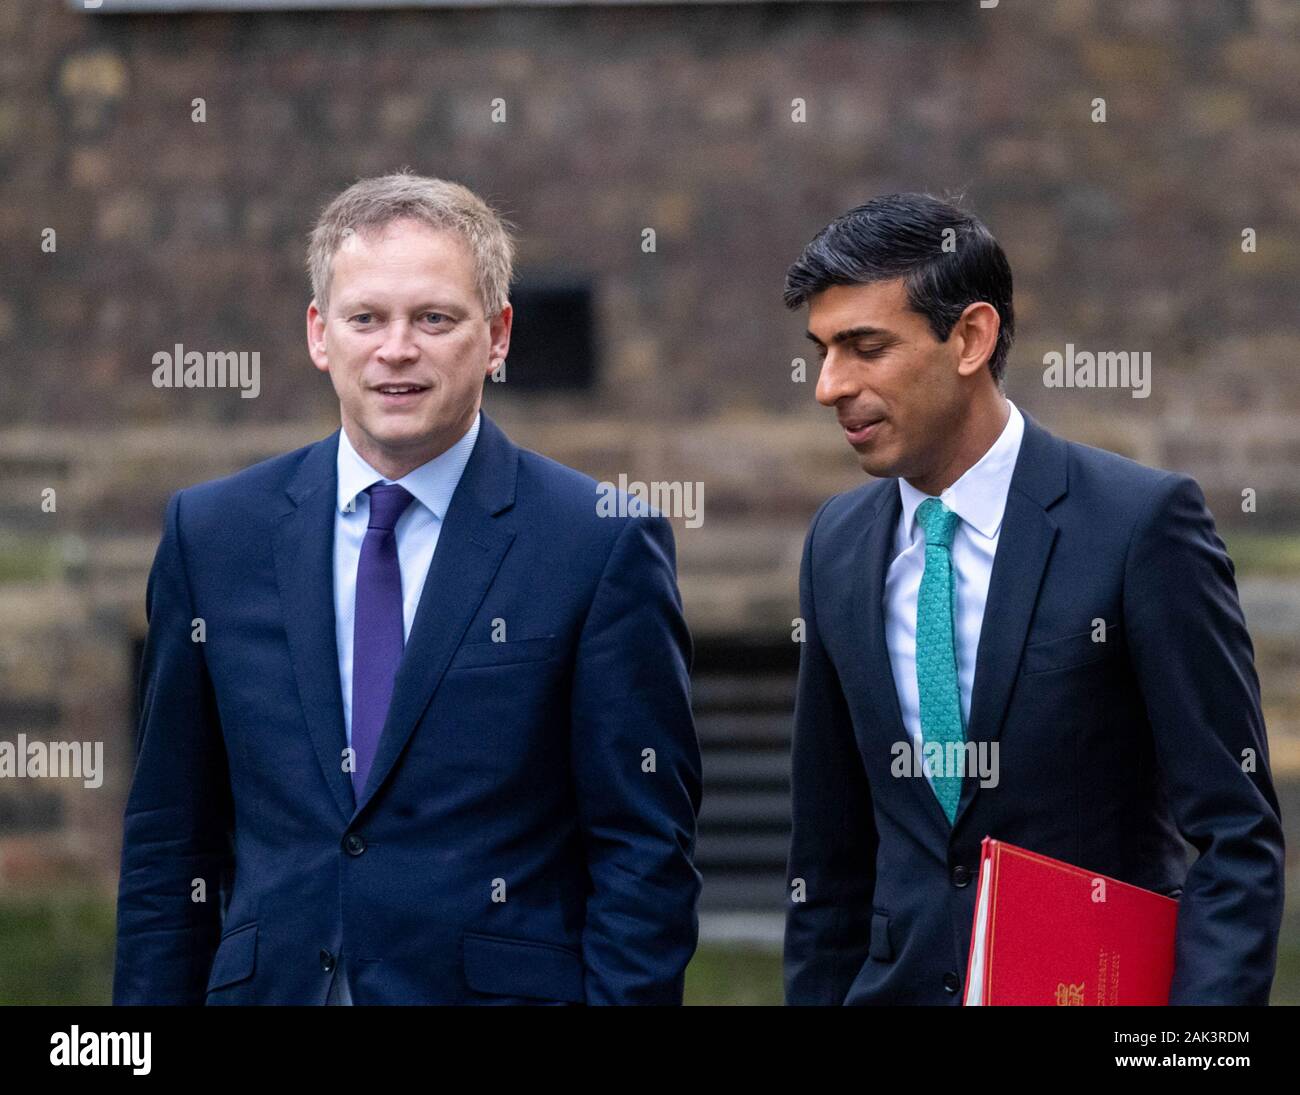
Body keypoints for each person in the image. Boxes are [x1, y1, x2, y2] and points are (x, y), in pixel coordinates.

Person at [113, 171, 702, 1005]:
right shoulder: (212, 536)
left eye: (434, 318)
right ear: (320, 334)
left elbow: (643, 851)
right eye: (366, 318)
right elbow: (170, 842)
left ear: (497, 336)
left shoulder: (598, 542)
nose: (397, 348)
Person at [781, 193, 1284, 1005]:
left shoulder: (1139, 525)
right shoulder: (835, 546)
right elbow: (827, 863)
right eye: (821, 351)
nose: (829, 385)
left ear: (971, 338)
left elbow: (1236, 835)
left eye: (863, 347)